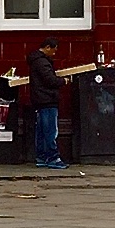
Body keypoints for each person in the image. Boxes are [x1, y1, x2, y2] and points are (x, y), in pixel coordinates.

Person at [27, 37, 68, 170]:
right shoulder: (42, 62)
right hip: (47, 99)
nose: (54, 54)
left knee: (41, 131)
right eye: (54, 50)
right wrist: (64, 81)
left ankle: (41, 157)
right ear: (48, 47)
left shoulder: (35, 61)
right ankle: (53, 158)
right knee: (50, 131)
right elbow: (50, 80)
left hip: (39, 100)